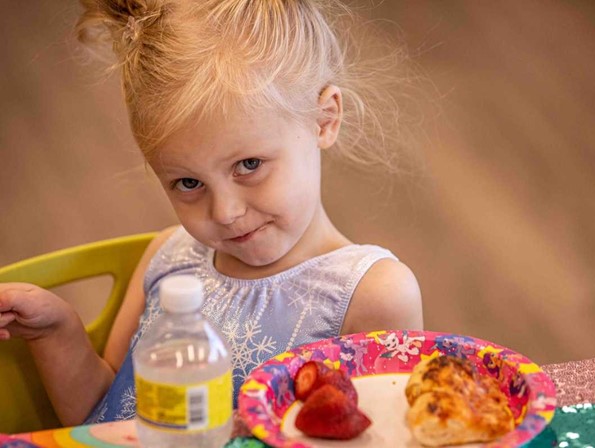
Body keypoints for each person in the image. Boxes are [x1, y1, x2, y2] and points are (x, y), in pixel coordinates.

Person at [0, 0, 423, 426]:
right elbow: (105, 420)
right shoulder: (168, 257)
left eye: (249, 165)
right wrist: (56, 331)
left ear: (323, 119)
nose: (225, 212)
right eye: (188, 183)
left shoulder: (371, 295)